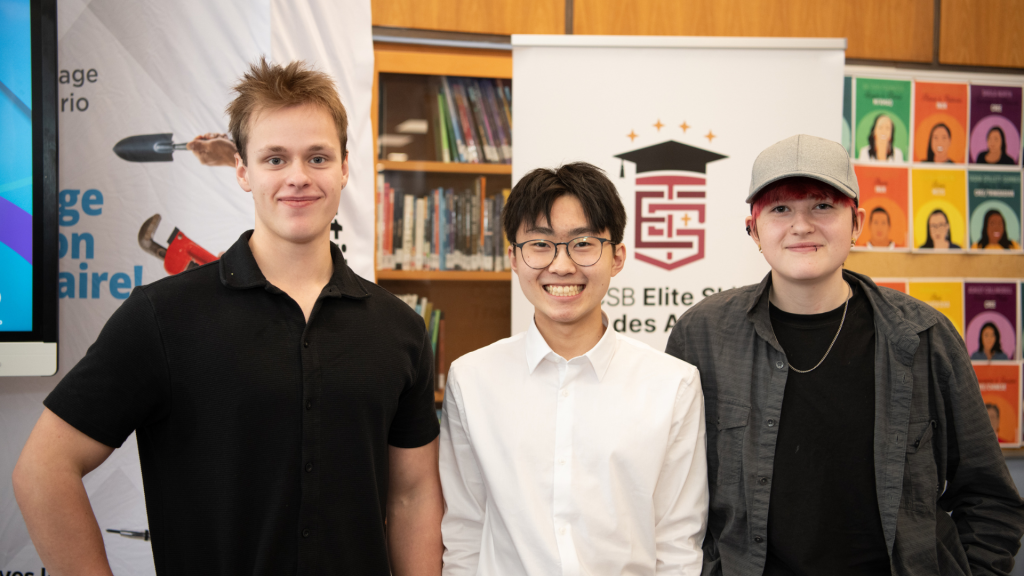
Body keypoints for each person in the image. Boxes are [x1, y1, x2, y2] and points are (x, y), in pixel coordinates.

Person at [12, 58, 443, 576]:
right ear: (242, 170)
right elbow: (43, 469)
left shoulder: (398, 329)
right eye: (275, 159)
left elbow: (413, 495)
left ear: (346, 167)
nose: (298, 177)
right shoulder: (162, 317)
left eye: (319, 157)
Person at [666, 134, 1024, 576]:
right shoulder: (701, 335)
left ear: (856, 223)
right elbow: (673, 498)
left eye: (822, 205)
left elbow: (990, 498)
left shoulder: (924, 336)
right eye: (780, 208)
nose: (801, 225)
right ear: (753, 228)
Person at [439, 163, 708, 575]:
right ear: (513, 257)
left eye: (583, 244)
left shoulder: (672, 385)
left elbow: (677, 543)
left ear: (617, 257)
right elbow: (465, 530)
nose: (561, 266)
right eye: (540, 245)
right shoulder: (472, 379)